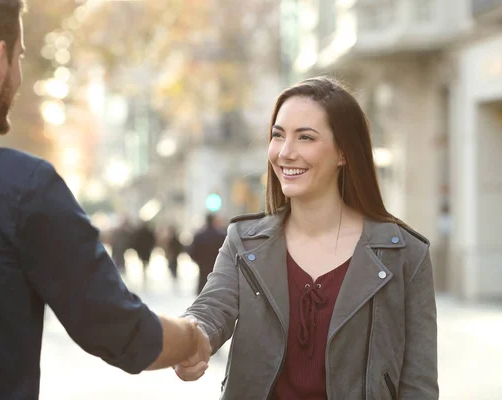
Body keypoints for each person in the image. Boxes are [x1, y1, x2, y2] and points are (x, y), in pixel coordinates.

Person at [0, 1, 210, 399]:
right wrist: (191, 337)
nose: (17, 73)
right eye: (19, 57)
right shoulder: (23, 187)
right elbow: (120, 331)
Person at [174, 77, 438, 399]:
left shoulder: (404, 253)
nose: (285, 153)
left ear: (343, 152)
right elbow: (211, 309)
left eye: (306, 138)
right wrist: (191, 337)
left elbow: (419, 384)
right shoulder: (244, 241)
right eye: (278, 135)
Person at [188, 213, 227, 295]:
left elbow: (192, 251)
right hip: (216, 264)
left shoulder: (199, 235)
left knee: (203, 284)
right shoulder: (220, 235)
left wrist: (198, 260)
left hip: (202, 264)